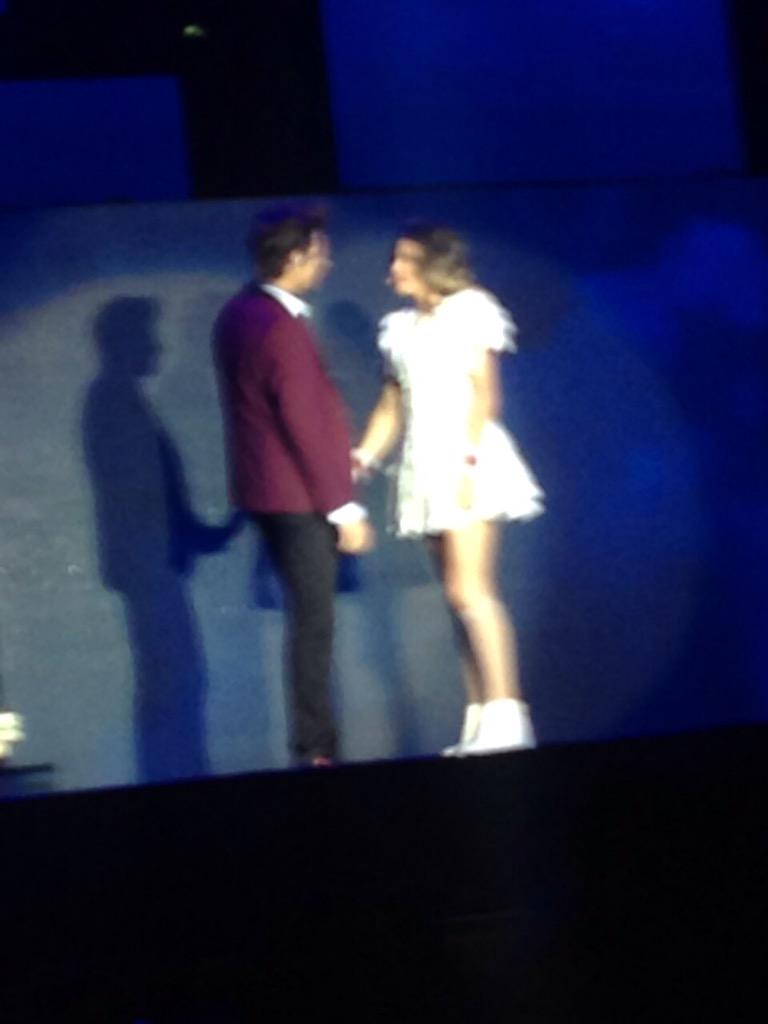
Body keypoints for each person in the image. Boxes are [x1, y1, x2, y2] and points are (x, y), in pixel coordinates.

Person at [354, 223, 543, 755]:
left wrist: (467, 464)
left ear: (431, 263)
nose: (393, 269)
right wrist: (362, 459)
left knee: (471, 590)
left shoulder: (470, 311)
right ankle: (480, 722)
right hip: (424, 467)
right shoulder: (399, 329)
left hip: (467, 460)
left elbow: (486, 396)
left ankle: (510, 718)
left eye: (404, 259)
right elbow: (391, 405)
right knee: (455, 598)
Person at [213, 206, 372, 767]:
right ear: (295, 257)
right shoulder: (280, 327)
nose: (327, 261)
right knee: (314, 625)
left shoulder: (239, 313)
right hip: (300, 497)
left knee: (307, 622)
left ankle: (314, 745)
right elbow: (301, 419)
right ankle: (317, 749)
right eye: (319, 252)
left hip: (267, 492)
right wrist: (343, 508)